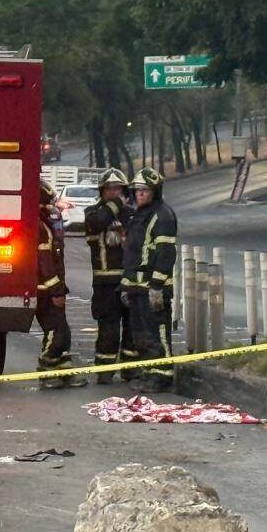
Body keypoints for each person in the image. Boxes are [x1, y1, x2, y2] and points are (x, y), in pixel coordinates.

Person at [119, 168, 178, 393]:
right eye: (137, 191)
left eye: (145, 191)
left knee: (157, 331)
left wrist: (157, 286)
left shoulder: (163, 215)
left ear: (155, 191)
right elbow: (132, 254)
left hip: (153, 288)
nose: (140, 195)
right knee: (140, 334)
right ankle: (148, 372)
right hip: (136, 288)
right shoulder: (138, 216)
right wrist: (126, 285)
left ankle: (161, 375)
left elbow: (165, 253)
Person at [82, 168, 134, 384]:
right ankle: (104, 371)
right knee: (109, 329)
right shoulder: (93, 213)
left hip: (130, 281)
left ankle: (131, 370)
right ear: (102, 191)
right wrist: (116, 205)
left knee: (132, 328)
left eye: (118, 188)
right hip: (105, 284)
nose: (113, 192)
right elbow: (97, 223)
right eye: (109, 189)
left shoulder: (132, 214)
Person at [35, 180, 86, 389]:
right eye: (51, 203)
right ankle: (47, 370)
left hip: (52, 288)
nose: (55, 208)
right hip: (45, 291)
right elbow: (44, 263)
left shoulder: (46, 224)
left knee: (63, 330)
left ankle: (63, 369)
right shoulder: (40, 227)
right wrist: (56, 290)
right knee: (55, 330)